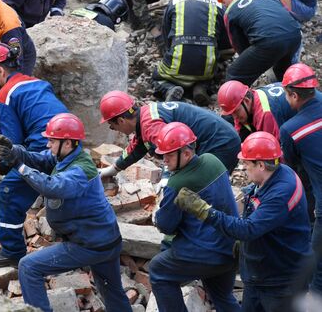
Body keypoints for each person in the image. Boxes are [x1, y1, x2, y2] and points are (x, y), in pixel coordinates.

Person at [0, 113, 132, 312]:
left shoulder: (80, 170)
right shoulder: (68, 156)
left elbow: (52, 187)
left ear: (67, 143)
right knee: (111, 291)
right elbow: (39, 159)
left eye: (52, 140)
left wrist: (19, 166)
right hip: (106, 240)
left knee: (28, 267)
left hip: (90, 244)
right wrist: (15, 151)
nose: (48, 145)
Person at [175, 131, 313, 311]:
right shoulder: (276, 173)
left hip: (282, 280)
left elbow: (247, 230)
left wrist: (203, 210)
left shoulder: (281, 192)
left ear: (261, 165)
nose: (243, 167)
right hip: (260, 273)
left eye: (246, 163)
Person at [0, 43, 67, 268]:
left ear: (0, 71)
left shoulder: (5, 96)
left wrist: (4, 167)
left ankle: (12, 251)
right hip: (70, 143)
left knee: (8, 192)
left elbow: (13, 145)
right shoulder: (37, 82)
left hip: (45, 151)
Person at [149, 122, 240, 312]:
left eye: (170, 154)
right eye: (163, 154)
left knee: (158, 271)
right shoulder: (213, 160)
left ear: (187, 153)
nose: (164, 160)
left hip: (206, 252)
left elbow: (166, 226)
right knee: (222, 295)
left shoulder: (178, 183)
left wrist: (158, 210)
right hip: (231, 248)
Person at [98, 91, 241, 177]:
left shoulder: (150, 125)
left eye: (112, 126)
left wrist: (167, 176)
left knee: (203, 186)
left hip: (221, 143)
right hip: (220, 137)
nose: (115, 130)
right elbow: (138, 147)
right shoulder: (145, 117)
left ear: (121, 120)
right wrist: (114, 169)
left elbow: (173, 151)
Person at [152, 0, 230, 106]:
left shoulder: (174, 2)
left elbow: (167, 38)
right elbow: (225, 43)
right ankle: (201, 86)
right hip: (206, 68)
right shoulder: (219, 6)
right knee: (214, 67)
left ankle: (169, 88)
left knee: (157, 77)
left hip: (177, 63)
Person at [279, 63, 322, 296]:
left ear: (294, 95)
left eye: (287, 95)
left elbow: (294, 169)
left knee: (317, 268)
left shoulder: (291, 129)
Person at [216, 0, 301, 85]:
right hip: (295, 35)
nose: (225, 5)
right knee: (282, 71)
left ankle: (239, 101)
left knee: (234, 74)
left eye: (224, 2)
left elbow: (239, 46)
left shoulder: (231, 10)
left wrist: (252, 62)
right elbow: (289, 14)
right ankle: (291, 96)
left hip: (270, 42)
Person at [217, 80, 295, 142]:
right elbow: (238, 129)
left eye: (236, 112)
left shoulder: (264, 114)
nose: (235, 117)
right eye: (231, 113)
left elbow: (273, 147)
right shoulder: (252, 95)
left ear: (246, 101)